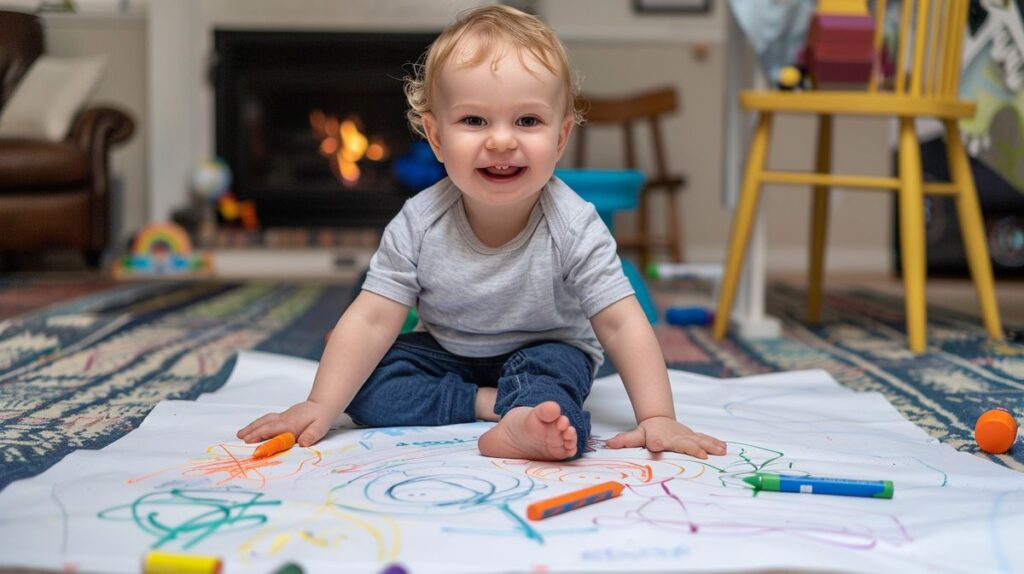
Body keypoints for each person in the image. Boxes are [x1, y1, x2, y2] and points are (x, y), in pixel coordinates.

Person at [237, 5, 726, 462]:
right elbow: (370, 320)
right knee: (365, 382)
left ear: (560, 139)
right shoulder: (418, 222)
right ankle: (489, 405)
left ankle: (526, 422)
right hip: (449, 354)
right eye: (473, 120)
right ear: (436, 137)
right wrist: (322, 404)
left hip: (546, 348)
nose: (500, 140)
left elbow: (621, 323)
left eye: (527, 121)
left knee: (555, 385)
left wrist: (658, 417)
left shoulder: (573, 224)